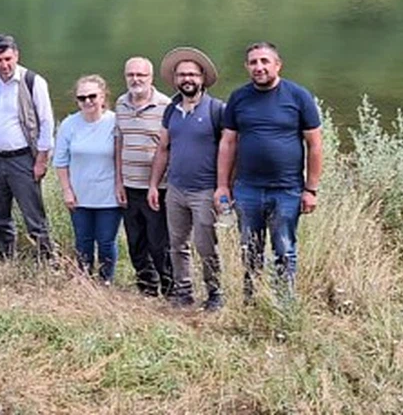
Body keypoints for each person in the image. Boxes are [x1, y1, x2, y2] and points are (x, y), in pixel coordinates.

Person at [215, 42, 323, 298]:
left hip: (287, 189)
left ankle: (283, 304)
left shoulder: (298, 96)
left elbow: (315, 145)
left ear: (278, 65)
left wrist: (311, 189)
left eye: (265, 61)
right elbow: (228, 143)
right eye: (253, 62)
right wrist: (222, 185)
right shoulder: (238, 97)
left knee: (284, 249)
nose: (259, 67)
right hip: (247, 189)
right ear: (247, 67)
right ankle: (251, 300)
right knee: (249, 249)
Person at [149, 47, 226, 311]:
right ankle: (183, 293)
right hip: (175, 189)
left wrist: (224, 188)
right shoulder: (171, 110)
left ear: (202, 78)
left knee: (206, 246)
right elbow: (163, 149)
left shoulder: (217, 110)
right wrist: (153, 185)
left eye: (192, 74)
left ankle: (215, 293)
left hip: (205, 190)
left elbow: (230, 150)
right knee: (177, 245)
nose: (187, 79)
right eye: (182, 75)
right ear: (175, 79)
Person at [0, 34, 56, 260]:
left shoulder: (33, 81)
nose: (4, 65)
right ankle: (6, 256)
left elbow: (47, 122)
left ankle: (46, 258)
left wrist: (41, 160)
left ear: (16, 56)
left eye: (8, 59)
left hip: (22, 158)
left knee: (33, 213)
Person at [114, 57, 173, 298]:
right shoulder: (121, 104)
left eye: (141, 75)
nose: (135, 79)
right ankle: (146, 287)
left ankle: (170, 289)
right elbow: (119, 143)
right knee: (135, 241)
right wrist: (119, 181)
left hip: (157, 188)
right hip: (129, 185)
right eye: (131, 75)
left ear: (151, 77)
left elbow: (169, 147)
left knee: (159, 243)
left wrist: (155, 185)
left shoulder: (166, 106)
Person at [54, 75, 123, 284]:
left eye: (92, 96)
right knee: (83, 241)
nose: (87, 101)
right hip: (79, 195)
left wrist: (121, 187)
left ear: (102, 97)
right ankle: (84, 280)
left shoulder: (115, 122)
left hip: (109, 195)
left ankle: (105, 281)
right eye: (82, 98)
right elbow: (61, 161)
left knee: (106, 241)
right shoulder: (69, 124)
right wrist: (67, 190)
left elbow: (122, 158)